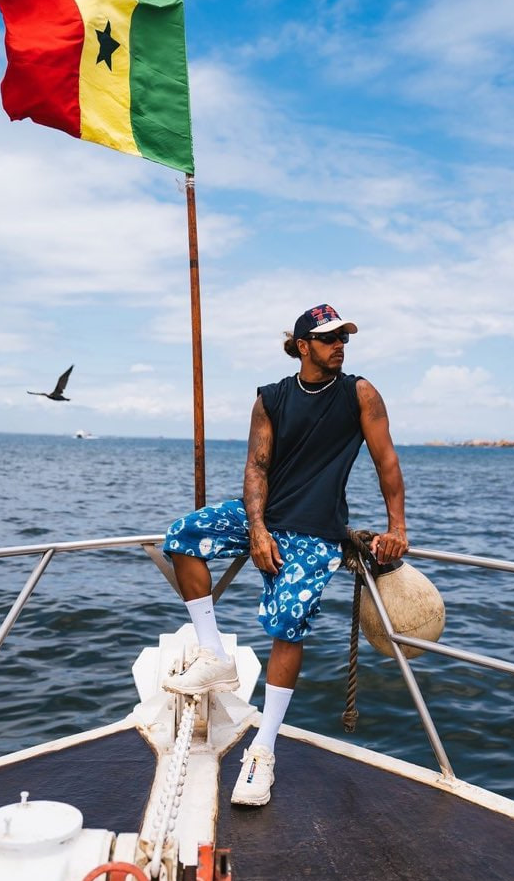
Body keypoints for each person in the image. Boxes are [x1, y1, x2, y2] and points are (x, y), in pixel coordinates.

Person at [162, 303, 407, 806]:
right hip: (268, 519)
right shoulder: (270, 399)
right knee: (182, 535)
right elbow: (257, 468)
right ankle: (215, 653)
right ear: (302, 346)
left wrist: (397, 527)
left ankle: (263, 751)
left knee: (288, 619)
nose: (340, 345)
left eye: (343, 338)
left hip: (318, 531)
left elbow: (386, 460)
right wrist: (255, 528)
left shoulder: (360, 393)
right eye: (329, 339)